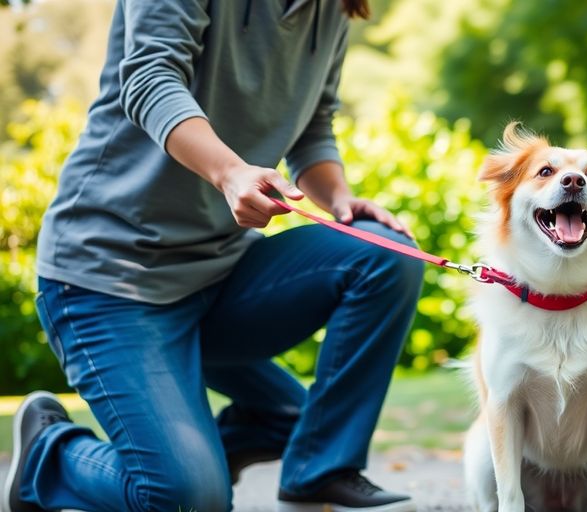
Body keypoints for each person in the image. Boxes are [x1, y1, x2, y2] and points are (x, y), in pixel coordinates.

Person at [2, 0, 424, 511]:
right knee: (187, 500)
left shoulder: (331, 9)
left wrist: (340, 200)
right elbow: (150, 75)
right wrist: (230, 173)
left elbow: (313, 126)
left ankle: (317, 471)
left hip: (218, 277)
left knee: (386, 255)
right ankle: (50, 455)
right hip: (109, 280)